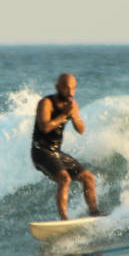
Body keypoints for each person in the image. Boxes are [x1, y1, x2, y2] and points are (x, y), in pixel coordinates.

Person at [31, 73, 102, 220]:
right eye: (66, 88)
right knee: (65, 178)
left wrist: (73, 115)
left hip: (56, 152)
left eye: (73, 89)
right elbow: (44, 127)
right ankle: (64, 220)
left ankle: (94, 212)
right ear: (58, 87)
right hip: (40, 151)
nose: (70, 93)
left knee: (88, 177)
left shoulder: (71, 105)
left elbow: (81, 129)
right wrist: (64, 115)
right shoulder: (46, 103)